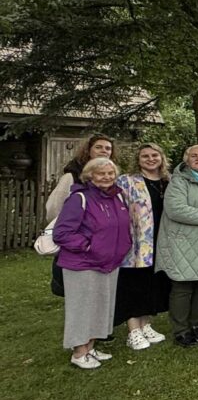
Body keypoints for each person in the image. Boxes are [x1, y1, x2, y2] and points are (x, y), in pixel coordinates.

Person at [53, 158, 131, 369]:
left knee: (101, 306)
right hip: (83, 264)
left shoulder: (117, 197)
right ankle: (79, 352)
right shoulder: (79, 198)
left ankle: (90, 346)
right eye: (101, 174)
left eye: (110, 173)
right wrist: (88, 246)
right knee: (83, 308)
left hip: (110, 262)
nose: (106, 177)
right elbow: (62, 233)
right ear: (90, 176)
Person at [157, 144, 198, 348]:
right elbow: (175, 209)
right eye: (194, 155)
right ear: (186, 159)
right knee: (183, 285)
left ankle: (196, 325)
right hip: (184, 240)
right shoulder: (179, 181)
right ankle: (181, 330)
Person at [115, 143, 172, 351]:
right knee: (133, 284)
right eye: (145, 156)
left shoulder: (169, 182)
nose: (150, 159)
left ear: (161, 157)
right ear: (138, 160)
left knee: (152, 283)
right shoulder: (127, 182)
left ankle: (146, 324)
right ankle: (133, 330)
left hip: (161, 241)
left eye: (154, 155)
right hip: (136, 243)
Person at [45, 133, 115, 222]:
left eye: (108, 148)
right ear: (88, 151)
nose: (104, 151)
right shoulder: (71, 177)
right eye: (98, 147)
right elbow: (54, 209)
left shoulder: (111, 179)